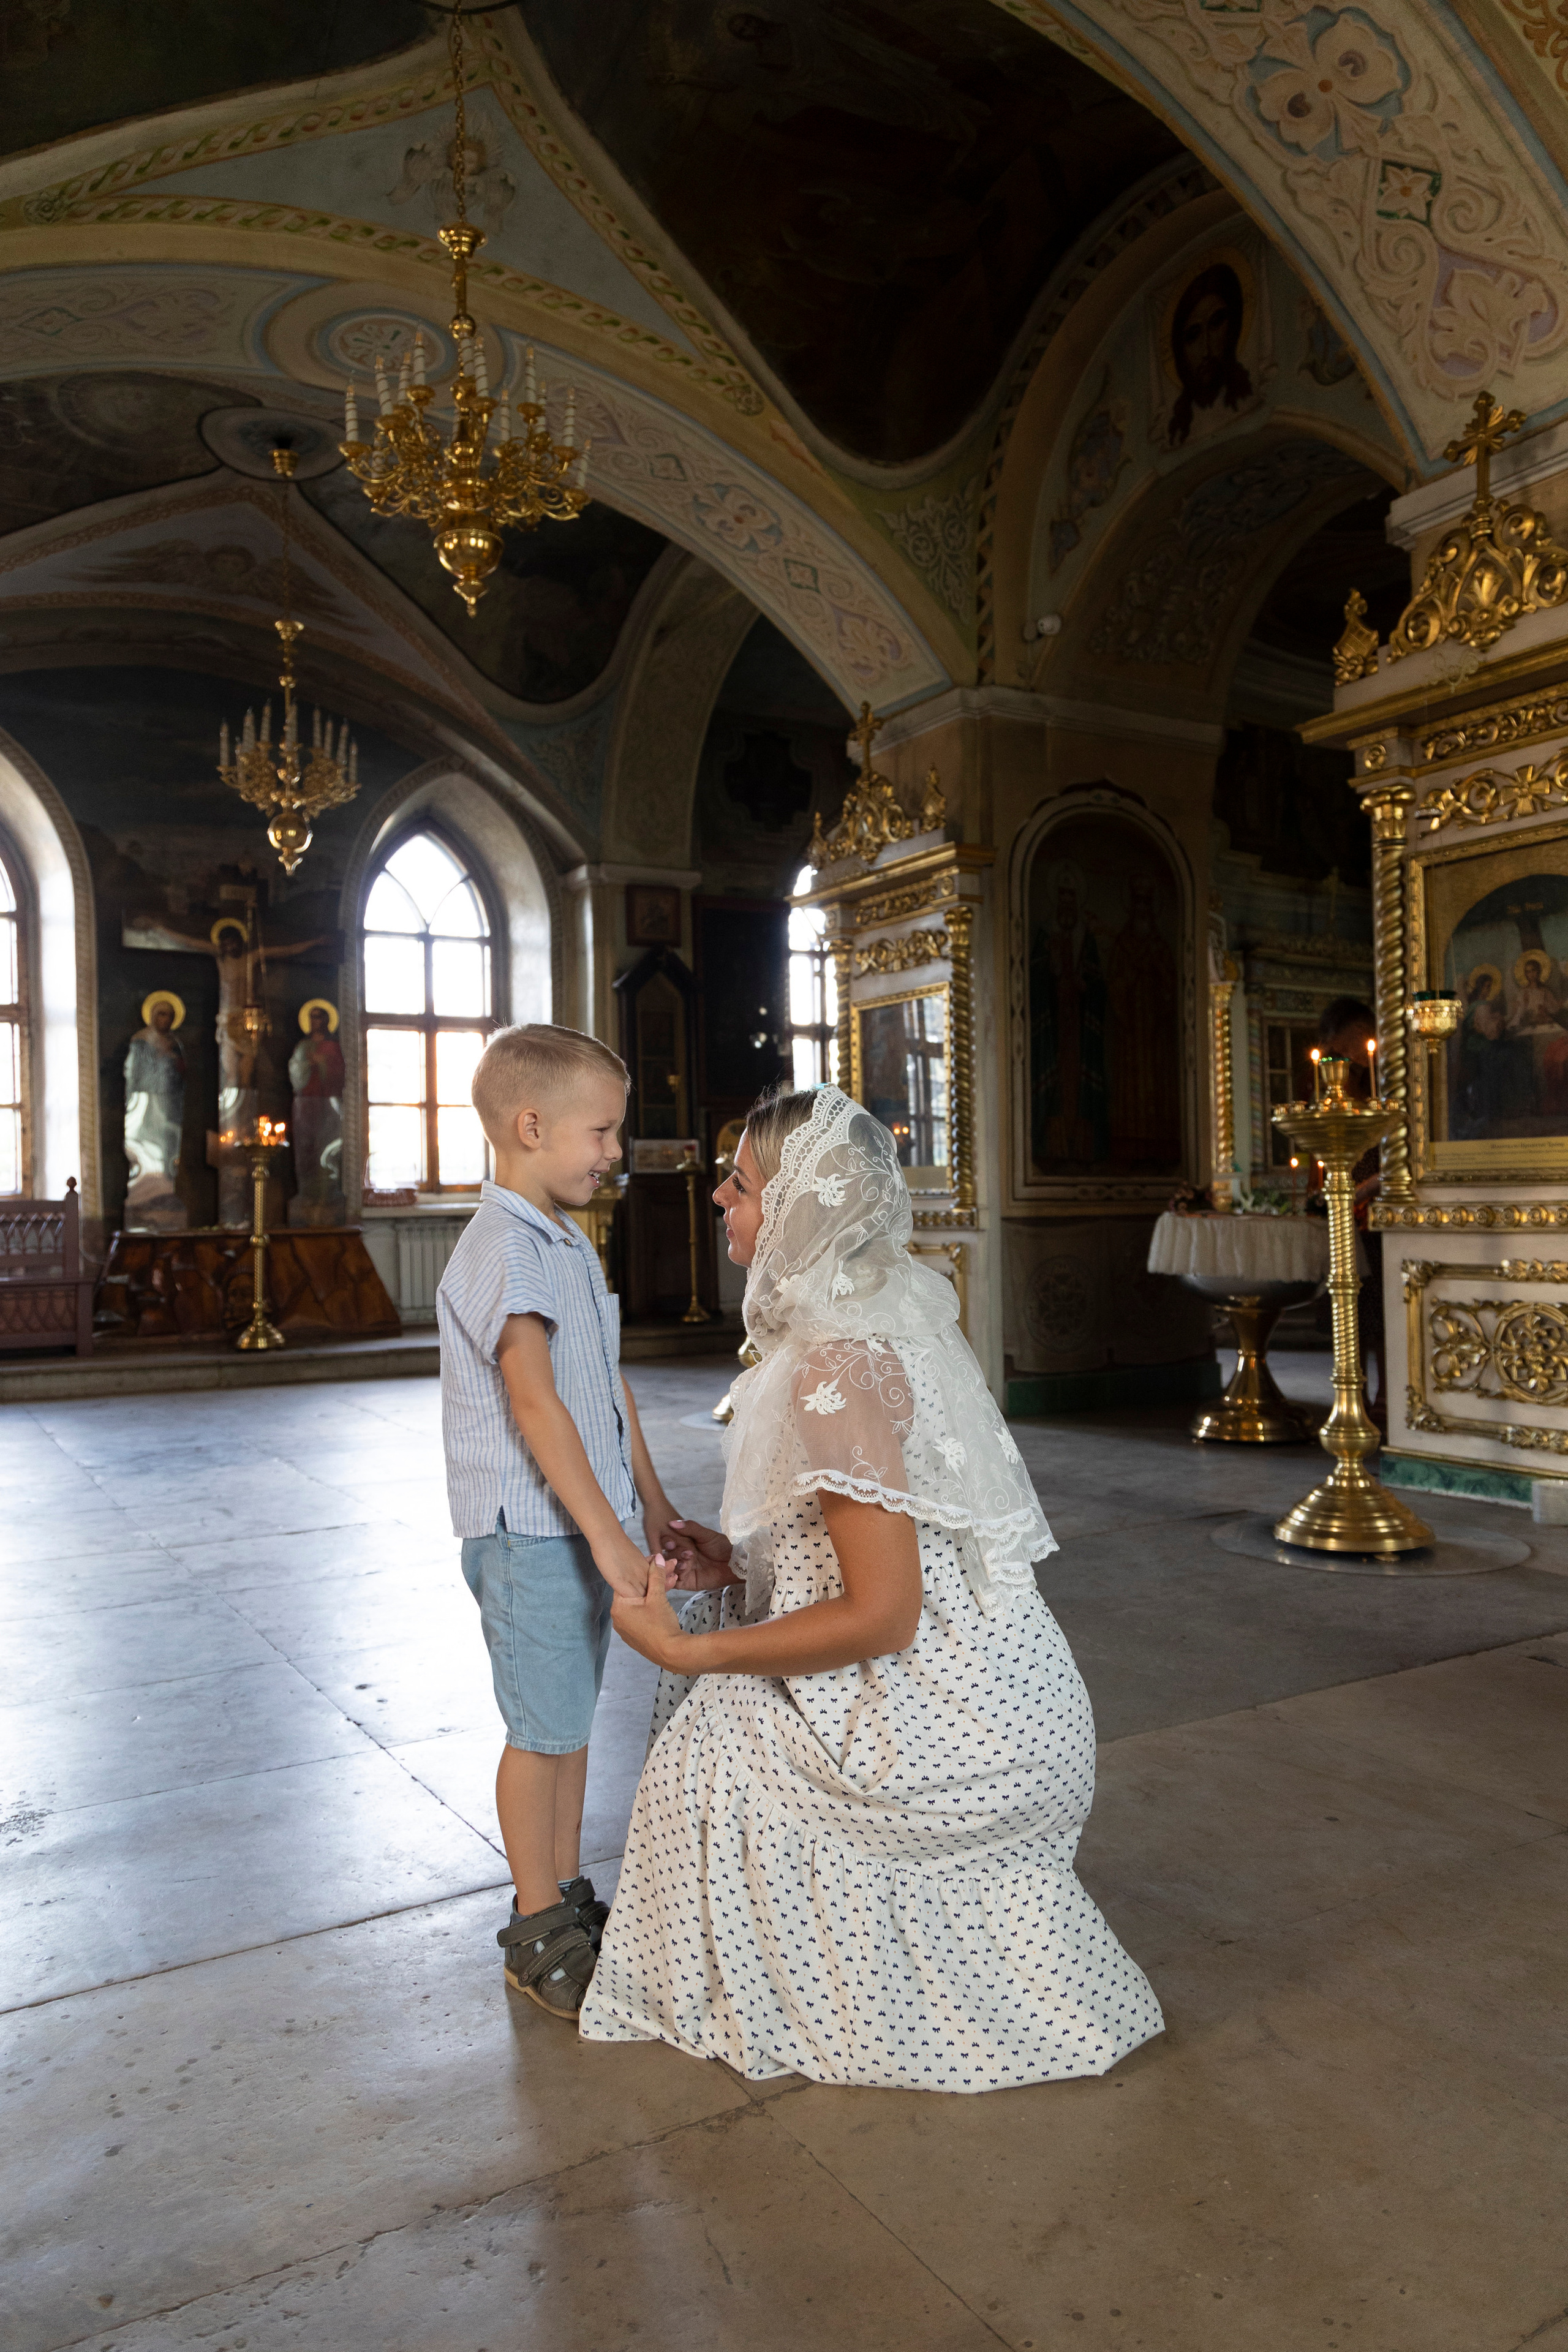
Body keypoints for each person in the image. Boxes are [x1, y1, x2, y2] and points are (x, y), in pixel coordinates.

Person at [580, 1082, 1164, 2090]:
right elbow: (874, 1542)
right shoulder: (862, 1331)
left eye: (742, 1182)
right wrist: (742, 1561)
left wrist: (689, 1647)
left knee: (705, 1734)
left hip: (950, 1713)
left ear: (802, 1208)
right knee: (716, 1690)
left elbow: (884, 1615)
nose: (719, 1198)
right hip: (1007, 1693)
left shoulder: (833, 1367)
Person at [437, 1022, 692, 2019]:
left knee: (569, 1720)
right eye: (602, 1132)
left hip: (576, 1526)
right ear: (531, 1125)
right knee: (540, 1733)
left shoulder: (563, 1245)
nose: (613, 1151)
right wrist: (605, 1534)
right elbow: (535, 1402)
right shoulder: (505, 1242)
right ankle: (536, 1923)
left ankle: (568, 1892)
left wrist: (652, 1508)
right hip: (530, 1534)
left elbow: (604, 1388)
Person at [1317, 997, 1384, 1426]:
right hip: (1348, 1215)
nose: (1347, 1055)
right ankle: (1353, 1398)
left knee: (1380, 1313)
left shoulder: (1382, 1084)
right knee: (1352, 1313)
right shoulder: (1331, 1092)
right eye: (1338, 1050)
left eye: (1354, 1041)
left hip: (1381, 1215)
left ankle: (1386, 1396)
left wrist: (1372, 1187)